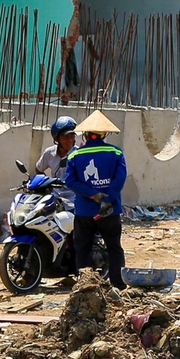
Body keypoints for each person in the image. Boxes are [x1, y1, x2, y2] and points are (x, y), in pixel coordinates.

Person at [65, 111, 129, 288]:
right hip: (109, 210)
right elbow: (120, 178)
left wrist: (92, 194)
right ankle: (117, 285)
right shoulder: (115, 152)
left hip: (85, 212)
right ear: (104, 134)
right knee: (114, 247)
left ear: (85, 134)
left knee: (83, 248)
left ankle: (86, 287)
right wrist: (107, 198)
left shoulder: (74, 156)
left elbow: (70, 181)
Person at [33, 115, 79, 185]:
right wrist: (47, 183)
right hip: (54, 194)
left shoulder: (79, 154)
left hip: (74, 195)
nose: (70, 140)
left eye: (72, 136)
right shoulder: (49, 152)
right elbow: (38, 169)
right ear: (56, 138)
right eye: (66, 137)